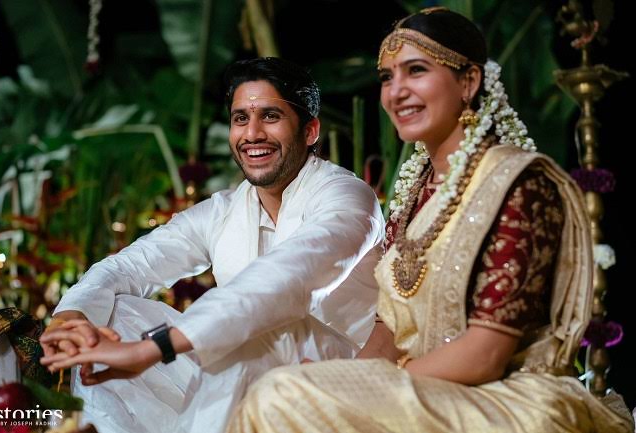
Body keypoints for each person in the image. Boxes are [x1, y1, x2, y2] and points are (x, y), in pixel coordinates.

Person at [225, 8, 634, 433]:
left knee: (280, 396)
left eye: (416, 71)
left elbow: (486, 354)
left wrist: (363, 385)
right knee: (280, 387)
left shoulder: (517, 184)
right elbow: (389, 332)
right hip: (420, 389)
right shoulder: (414, 194)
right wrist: (344, 380)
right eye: (387, 77)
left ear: (469, 82)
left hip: (504, 396)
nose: (396, 92)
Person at [39, 57, 384, 433]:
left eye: (270, 116)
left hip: (347, 377)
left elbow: (283, 281)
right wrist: (72, 316)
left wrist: (153, 348)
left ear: (310, 130)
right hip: (247, 374)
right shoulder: (224, 211)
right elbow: (130, 266)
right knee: (112, 315)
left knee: (258, 329)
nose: (252, 134)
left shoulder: (346, 197)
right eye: (241, 118)